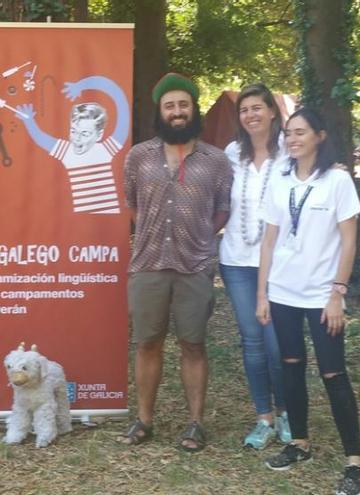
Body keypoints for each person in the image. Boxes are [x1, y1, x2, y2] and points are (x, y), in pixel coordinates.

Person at [118, 72, 233, 452]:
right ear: (160, 111)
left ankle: (195, 423)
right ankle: (145, 419)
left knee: (193, 345)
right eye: (170, 106)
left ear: (194, 109)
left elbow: (221, 211)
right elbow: (132, 206)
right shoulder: (138, 157)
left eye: (184, 104)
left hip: (194, 266)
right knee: (147, 343)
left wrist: (196, 237)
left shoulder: (216, 161)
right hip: (148, 264)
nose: (177, 111)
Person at [255, 108, 360, 495]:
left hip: (322, 295)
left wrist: (338, 292)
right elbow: (269, 239)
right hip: (283, 291)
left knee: (333, 374)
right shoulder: (280, 180)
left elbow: (349, 240)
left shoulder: (337, 180)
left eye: (300, 132)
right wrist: (262, 293)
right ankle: (299, 442)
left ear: (319, 135)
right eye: (287, 133)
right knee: (291, 367)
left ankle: (354, 462)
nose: (292, 138)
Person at [219, 83, 291, 449]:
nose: (251, 115)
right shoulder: (232, 154)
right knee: (252, 341)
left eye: (257, 108)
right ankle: (263, 417)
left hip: (280, 263)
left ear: (273, 112)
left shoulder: (290, 154)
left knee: (278, 343)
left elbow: (317, 179)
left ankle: (287, 412)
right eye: (245, 109)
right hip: (236, 261)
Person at [15, 75, 130, 214]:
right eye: (74, 131)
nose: (77, 138)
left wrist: (81, 85)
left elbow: (120, 102)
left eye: (85, 133)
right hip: (81, 219)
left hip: (107, 221)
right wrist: (29, 121)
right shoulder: (67, 151)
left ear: (99, 135)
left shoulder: (106, 149)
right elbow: (41, 138)